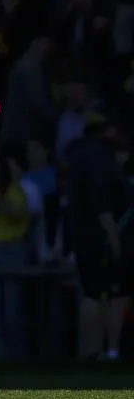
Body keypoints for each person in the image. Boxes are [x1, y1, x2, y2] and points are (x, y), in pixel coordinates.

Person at [65, 115, 130, 361]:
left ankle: (91, 351)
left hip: (82, 235)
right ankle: (106, 351)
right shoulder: (99, 157)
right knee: (110, 294)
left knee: (92, 292)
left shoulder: (77, 154)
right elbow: (100, 199)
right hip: (101, 236)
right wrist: (112, 235)